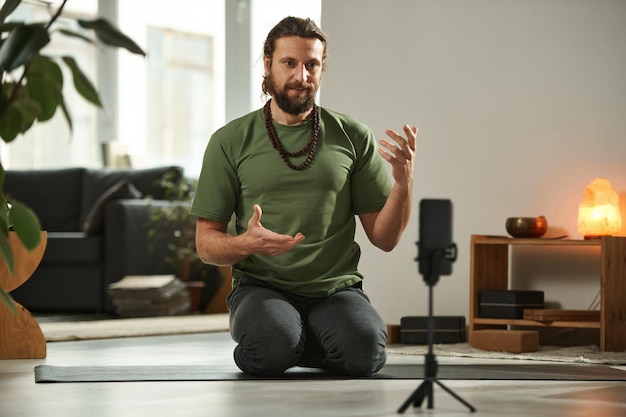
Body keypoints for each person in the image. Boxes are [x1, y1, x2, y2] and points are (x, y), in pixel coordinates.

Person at [190, 16, 417, 377]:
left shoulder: (352, 136)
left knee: (364, 355)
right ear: (268, 64)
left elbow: (385, 239)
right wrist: (247, 243)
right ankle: (294, 340)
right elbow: (206, 245)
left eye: (311, 64)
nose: (302, 76)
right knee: (270, 348)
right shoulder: (229, 141)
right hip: (261, 288)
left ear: (321, 67)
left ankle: (305, 340)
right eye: (289, 63)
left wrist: (403, 183)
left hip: (335, 289)